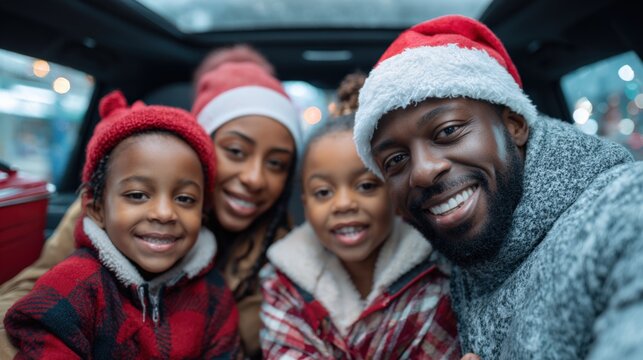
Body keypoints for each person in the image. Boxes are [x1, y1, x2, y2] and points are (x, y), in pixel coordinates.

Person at [352, 14, 643, 359]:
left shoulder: (622, 209)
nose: (423, 172)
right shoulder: (438, 267)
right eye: (395, 160)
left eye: (447, 131)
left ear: (515, 125)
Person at [0, 44, 303, 359]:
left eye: (277, 164)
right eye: (236, 152)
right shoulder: (103, 220)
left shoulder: (281, 257)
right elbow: (30, 301)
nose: (255, 178)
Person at [4, 90, 239, 358]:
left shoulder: (214, 294)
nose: (164, 213)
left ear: (203, 214)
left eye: (185, 199)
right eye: (137, 195)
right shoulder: (73, 285)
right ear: (97, 209)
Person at [259, 76, 460, 358]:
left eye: (366, 186)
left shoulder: (440, 270)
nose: (343, 204)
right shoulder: (281, 284)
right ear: (304, 204)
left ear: (394, 194)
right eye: (323, 192)